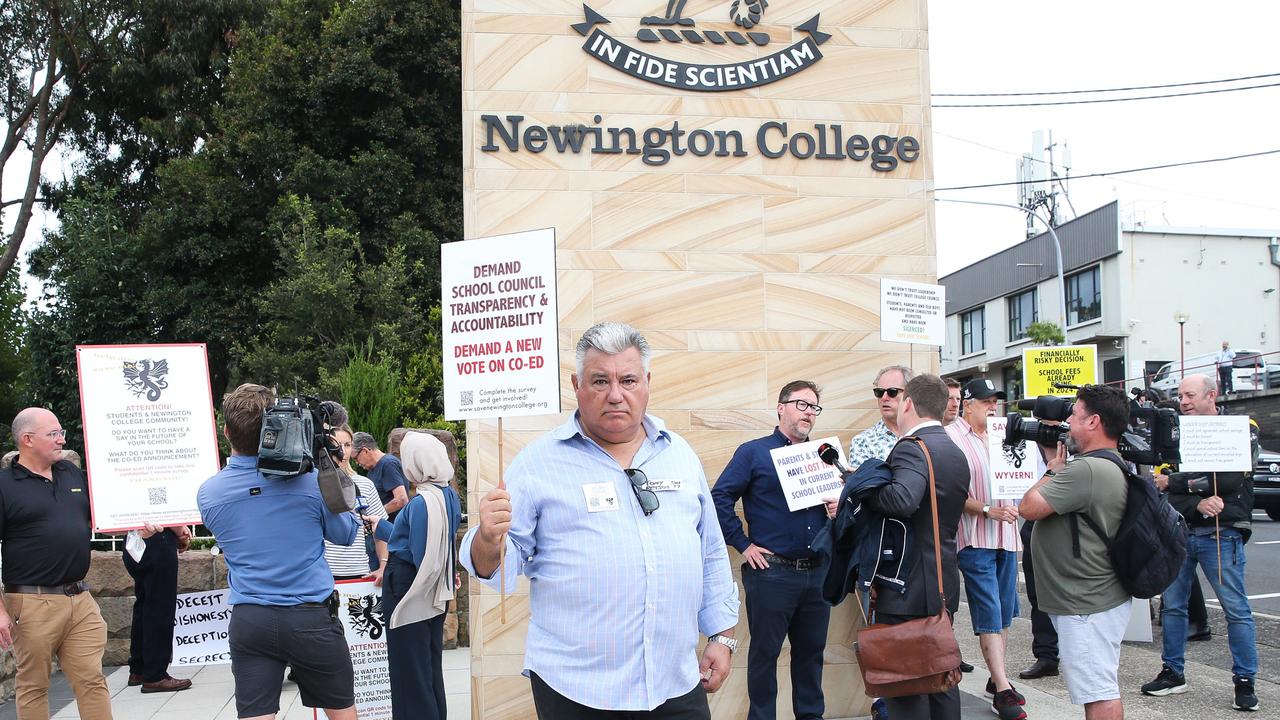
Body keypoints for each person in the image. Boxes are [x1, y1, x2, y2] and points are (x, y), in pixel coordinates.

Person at [460, 321, 739, 719]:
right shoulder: (538, 463)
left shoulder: (680, 455)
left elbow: (709, 552)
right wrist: (487, 539)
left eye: (627, 380)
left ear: (647, 381)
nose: (615, 395)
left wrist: (721, 637)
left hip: (674, 684)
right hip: (577, 691)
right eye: (599, 381)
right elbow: (500, 566)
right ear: (577, 385)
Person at [197, 384, 360, 720]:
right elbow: (346, 533)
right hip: (311, 617)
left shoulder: (209, 494)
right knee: (342, 713)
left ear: (226, 431)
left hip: (251, 618)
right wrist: (331, 469)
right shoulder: (311, 483)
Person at [712, 380, 829, 720]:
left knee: (812, 655)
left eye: (814, 408)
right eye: (802, 404)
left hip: (817, 573)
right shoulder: (754, 452)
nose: (808, 413)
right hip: (771, 573)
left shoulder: (823, 456)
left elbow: (837, 509)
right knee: (765, 655)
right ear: (781, 407)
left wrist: (837, 510)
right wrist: (743, 544)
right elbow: (719, 498)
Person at [1141, 374, 1258, 711]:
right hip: (1181, 532)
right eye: (1179, 395)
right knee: (1173, 607)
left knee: (1236, 610)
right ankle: (1173, 672)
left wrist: (1178, 483)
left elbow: (1232, 476)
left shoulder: (1240, 428)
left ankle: (1245, 680)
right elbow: (1162, 489)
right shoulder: (1176, 434)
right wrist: (1198, 500)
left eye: (1189, 395)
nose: (1184, 401)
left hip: (1222, 533)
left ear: (1212, 394)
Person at [1019, 384, 1132, 720]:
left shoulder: (1086, 470)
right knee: (1098, 687)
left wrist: (1053, 470)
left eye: (1074, 415)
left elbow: (1029, 507)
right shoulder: (1105, 463)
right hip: (1089, 598)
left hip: (1086, 603)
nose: (1068, 421)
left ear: (1094, 421)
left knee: (1099, 693)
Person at [864, 375, 970, 720]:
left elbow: (902, 499)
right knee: (940, 680)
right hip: (941, 582)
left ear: (908, 403)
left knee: (907, 690)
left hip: (906, 586)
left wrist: (862, 488)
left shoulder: (912, 446)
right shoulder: (954, 450)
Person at [0, 408, 114, 720]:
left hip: (80, 600)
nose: (62, 439)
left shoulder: (70, 474)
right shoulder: (4, 485)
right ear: (27, 439)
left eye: (61, 432)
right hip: (31, 601)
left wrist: (137, 527)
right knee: (34, 685)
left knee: (92, 680)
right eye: (53, 433)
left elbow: (104, 518)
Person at [364, 431, 461, 720]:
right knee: (427, 668)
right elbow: (428, 545)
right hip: (431, 590)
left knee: (409, 673)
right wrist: (382, 527)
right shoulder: (446, 494)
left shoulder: (422, 502)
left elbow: (420, 556)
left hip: (410, 588)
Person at [944, 380, 1025, 720]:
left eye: (996, 401)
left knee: (1005, 609)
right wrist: (988, 510)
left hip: (1006, 536)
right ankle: (1004, 690)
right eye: (986, 401)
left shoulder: (1003, 436)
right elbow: (949, 491)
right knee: (989, 609)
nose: (993, 407)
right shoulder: (951, 438)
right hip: (975, 535)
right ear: (967, 405)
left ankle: (997, 678)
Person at [124, 521, 195, 693]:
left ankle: (138, 669)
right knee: (160, 608)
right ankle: (155, 675)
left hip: (134, 540)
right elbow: (163, 509)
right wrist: (179, 531)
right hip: (159, 540)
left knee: (144, 603)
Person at [324, 425, 390, 583]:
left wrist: (383, 565)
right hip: (323, 574)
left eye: (347, 445)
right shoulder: (313, 485)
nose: (343, 450)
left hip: (358, 572)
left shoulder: (364, 484)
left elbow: (380, 528)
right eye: (337, 445)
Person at [849, 365, 913, 466]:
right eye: (879, 392)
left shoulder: (923, 434)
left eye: (892, 392)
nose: (884, 398)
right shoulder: (863, 441)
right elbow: (863, 481)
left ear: (909, 395)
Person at [353, 432, 410, 519]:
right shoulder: (373, 469)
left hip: (393, 527)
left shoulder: (388, 464)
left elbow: (401, 499)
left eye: (356, 458)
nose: (357, 463)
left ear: (365, 451)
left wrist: (377, 514)